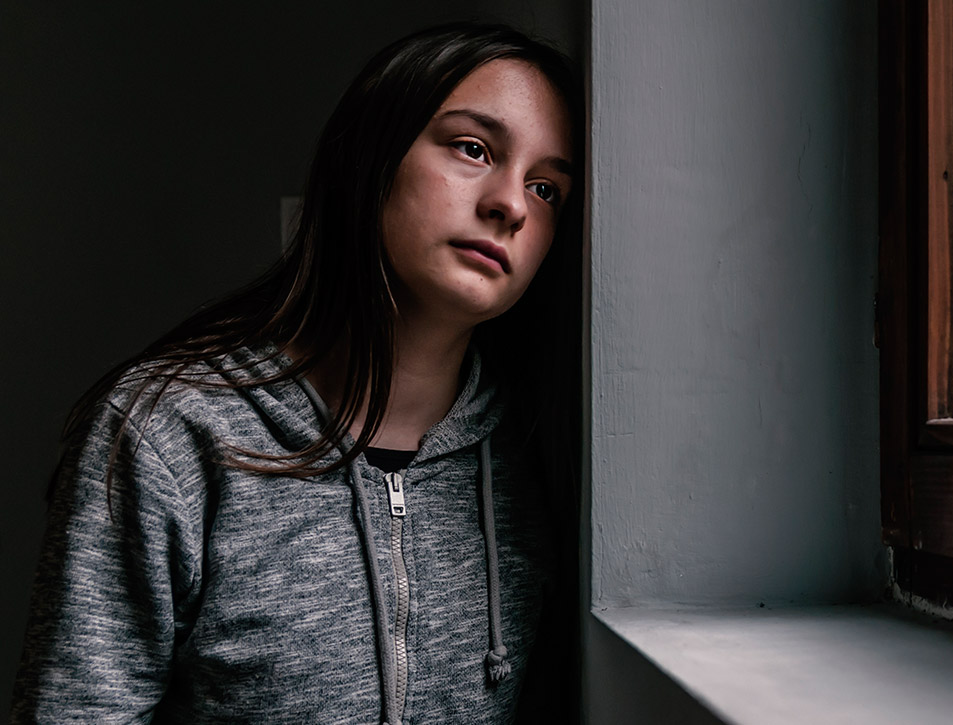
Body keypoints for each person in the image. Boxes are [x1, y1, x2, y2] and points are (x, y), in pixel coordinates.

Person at [11, 22, 581, 724]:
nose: (512, 204)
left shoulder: (539, 455)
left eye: (547, 187)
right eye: (473, 148)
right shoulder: (168, 433)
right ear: (372, 158)